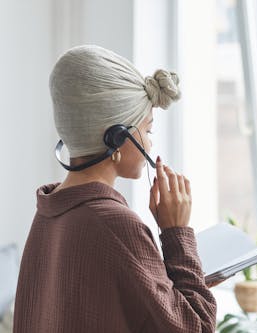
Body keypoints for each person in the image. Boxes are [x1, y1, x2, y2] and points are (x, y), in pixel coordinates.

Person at [13, 45, 217, 332]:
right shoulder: (117, 224)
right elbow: (198, 327)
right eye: (147, 130)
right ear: (117, 137)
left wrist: (187, 280)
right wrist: (177, 234)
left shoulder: (49, 211)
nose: (150, 144)